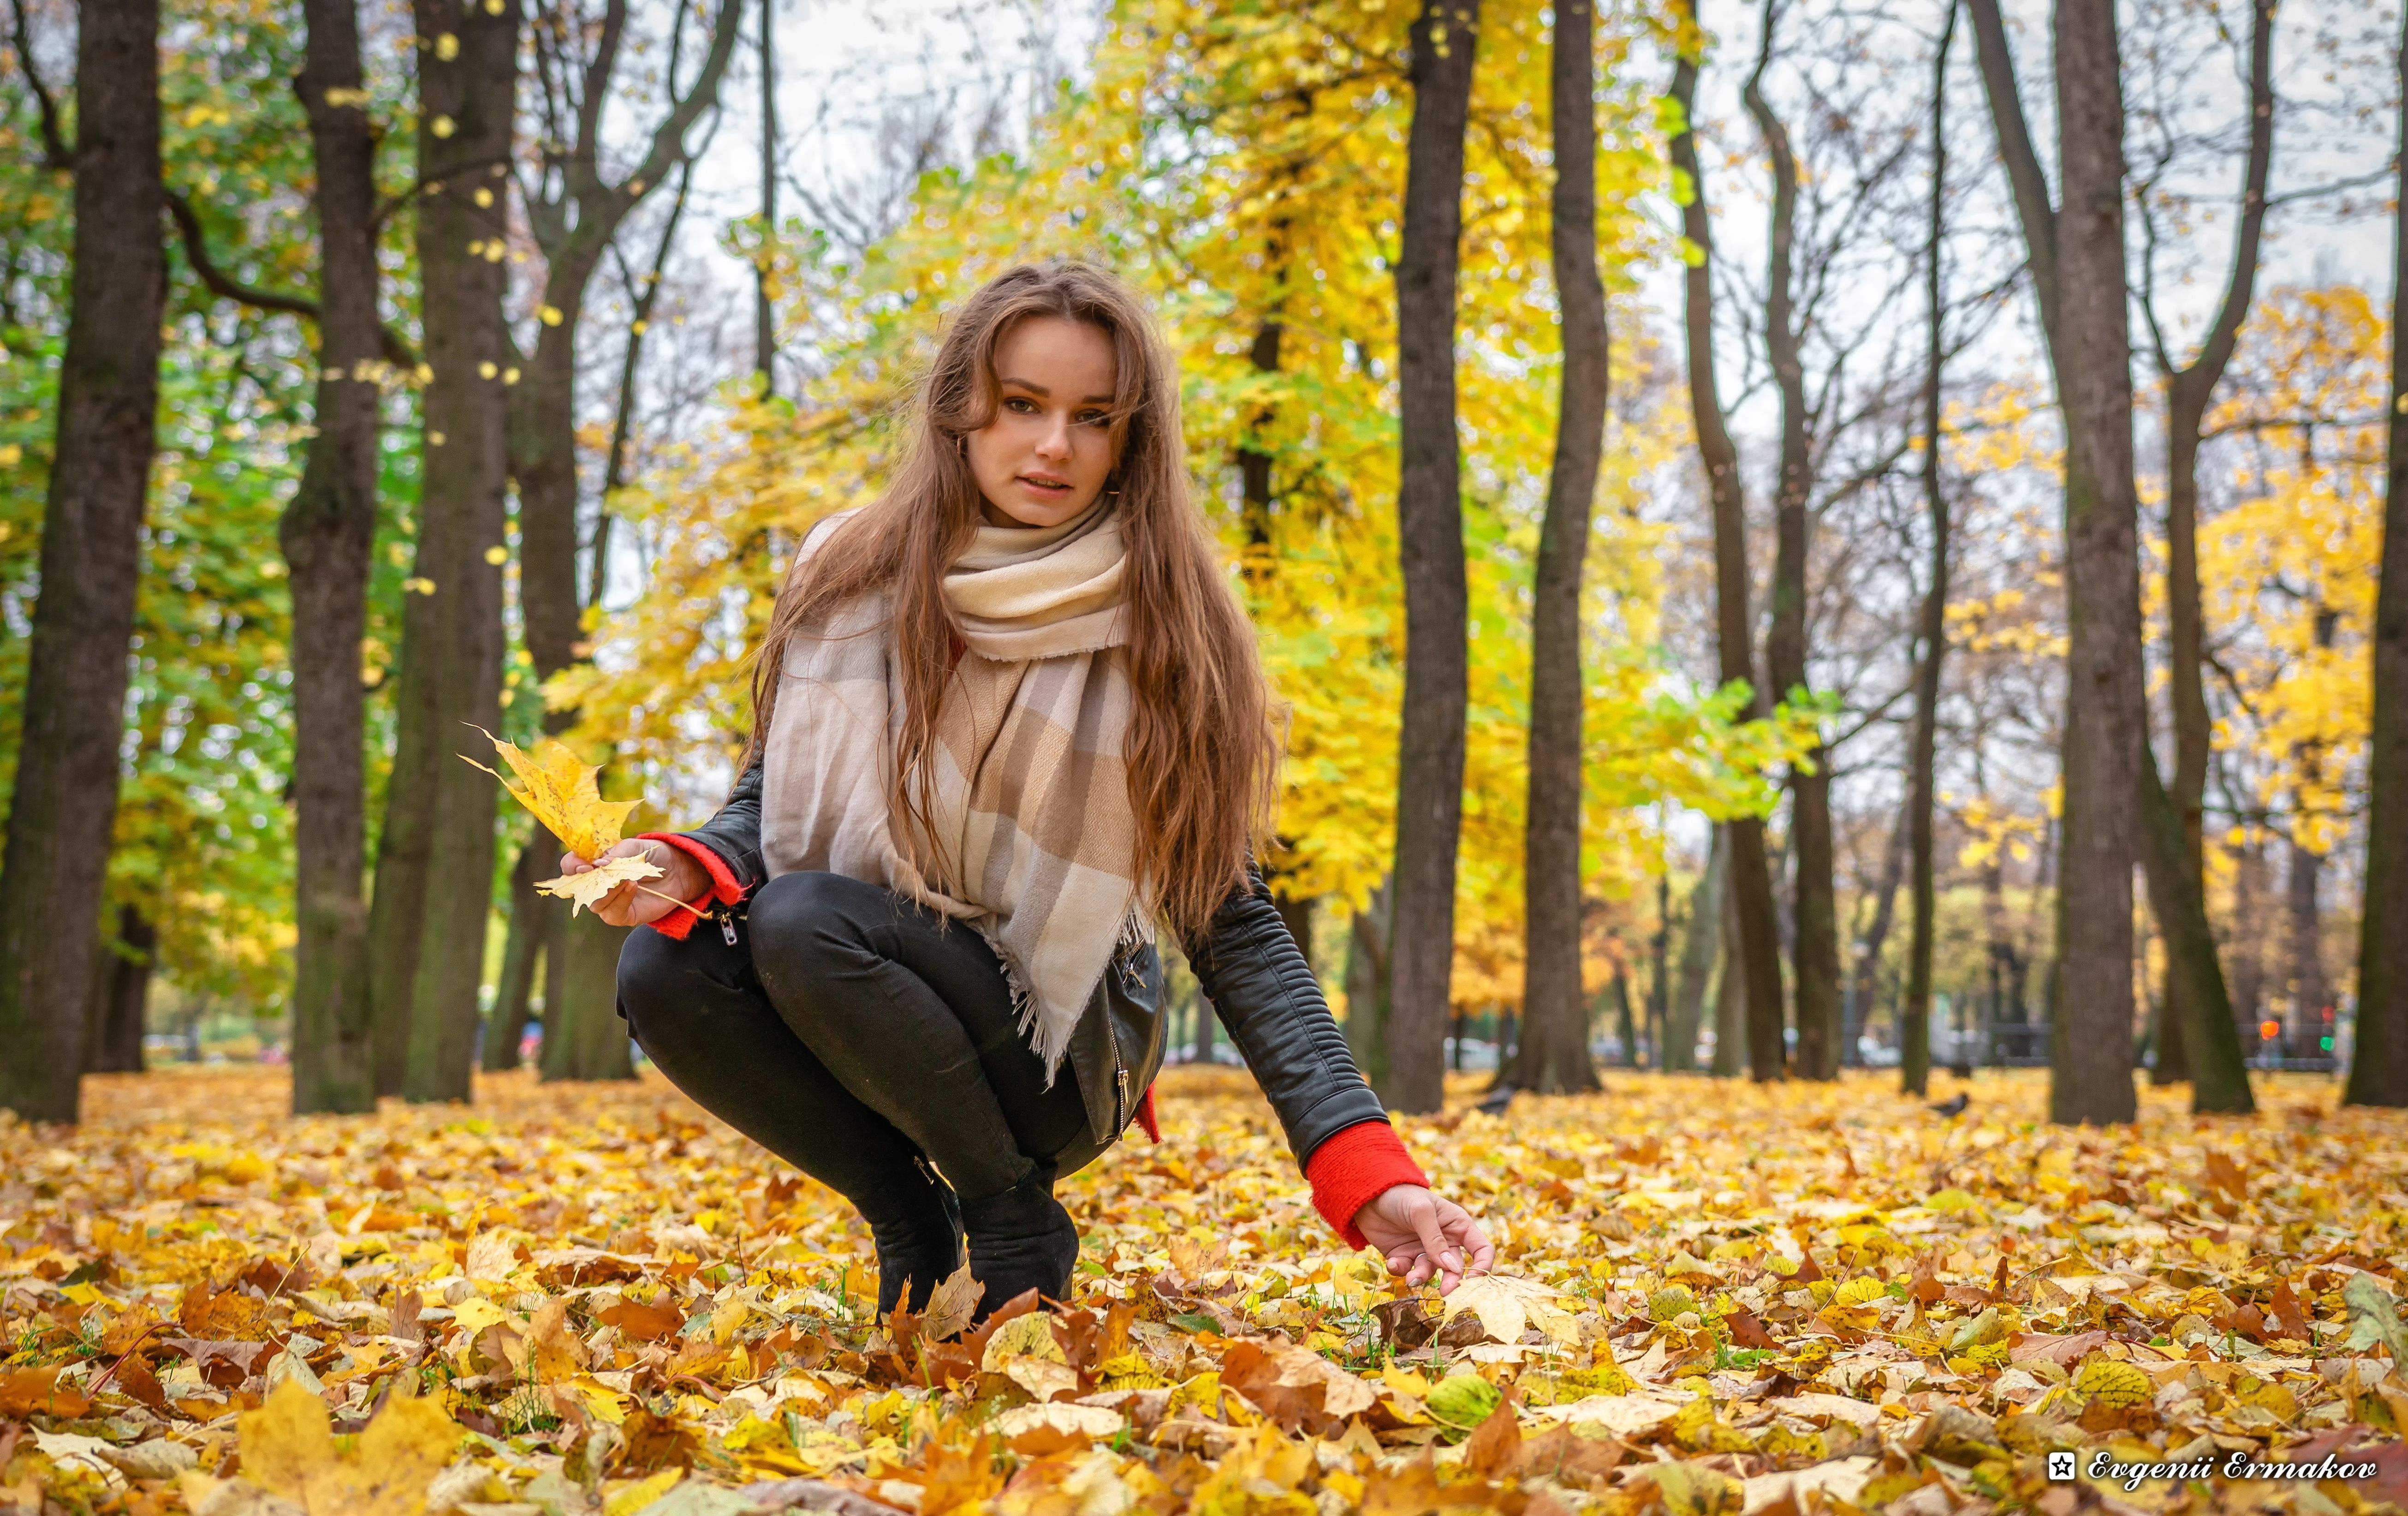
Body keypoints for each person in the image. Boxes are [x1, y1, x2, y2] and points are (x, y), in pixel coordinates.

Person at [567, 259, 1492, 1321]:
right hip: (848, 980)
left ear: (1129, 439)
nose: (1054, 444)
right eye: (1022, 404)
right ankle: (908, 1218)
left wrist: (1365, 1167)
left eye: (1093, 416)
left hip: (1054, 1051)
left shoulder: (1161, 625)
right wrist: (687, 864)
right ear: (961, 407)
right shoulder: (849, 574)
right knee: (667, 960)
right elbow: (772, 799)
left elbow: (1230, 923)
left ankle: (1013, 1214)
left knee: (806, 918)